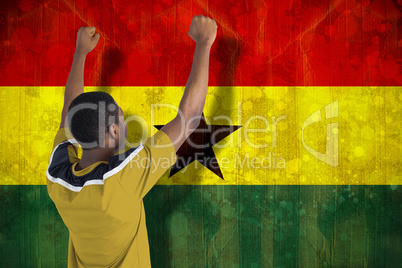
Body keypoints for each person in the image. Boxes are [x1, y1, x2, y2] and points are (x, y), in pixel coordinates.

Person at [46, 15, 217, 267]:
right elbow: (189, 118)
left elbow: (69, 111)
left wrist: (81, 52)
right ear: (114, 132)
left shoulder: (57, 177)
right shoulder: (124, 177)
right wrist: (204, 43)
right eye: (121, 119)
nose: (127, 123)